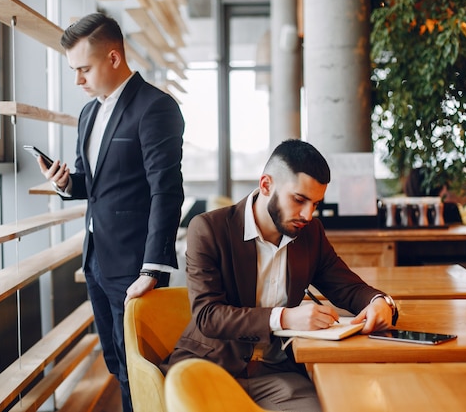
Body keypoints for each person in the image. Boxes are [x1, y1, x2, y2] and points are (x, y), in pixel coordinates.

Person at [160, 139, 397, 411]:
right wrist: (284, 317)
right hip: (209, 366)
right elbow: (207, 315)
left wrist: (380, 302)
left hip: (276, 372)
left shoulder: (311, 233)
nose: (308, 214)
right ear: (266, 185)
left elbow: (348, 287)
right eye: (299, 200)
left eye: (316, 203)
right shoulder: (208, 229)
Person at [37, 13, 184, 412]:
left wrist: (152, 270)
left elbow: (166, 192)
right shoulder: (88, 113)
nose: (78, 80)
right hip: (96, 262)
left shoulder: (156, 107)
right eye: (73, 70)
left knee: (145, 368)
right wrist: (66, 182)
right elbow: (93, 182)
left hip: (136, 269)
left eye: (84, 69)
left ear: (114, 58)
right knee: (117, 364)